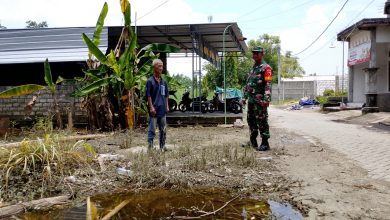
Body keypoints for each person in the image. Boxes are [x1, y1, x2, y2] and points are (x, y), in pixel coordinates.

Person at [243, 46, 272, 151]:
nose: (254, 55)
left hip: (260, 101)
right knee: (251, 121)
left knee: (262, 121)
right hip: (251, 100)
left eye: (257, 53)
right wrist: (244, 96)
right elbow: (248, 84)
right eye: (253, 53)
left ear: (262, 54)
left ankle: (265, 143)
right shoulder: (254, 68)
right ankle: (253, 142)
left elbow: (268, 84)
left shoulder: (266, 68)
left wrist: (266, 99)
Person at [145, 59, 169, 151]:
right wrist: (151, 107)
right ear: (154, 67)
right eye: (159, 66)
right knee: (152, 130)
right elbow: (148, 95)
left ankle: (162, 146)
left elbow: (166, 95)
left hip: (162, 110)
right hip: (154, 110)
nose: (161, 68)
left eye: (162, 66)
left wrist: (167, 106)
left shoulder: (164, 82)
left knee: (163, 130)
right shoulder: (150, 81)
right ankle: (150, 147)